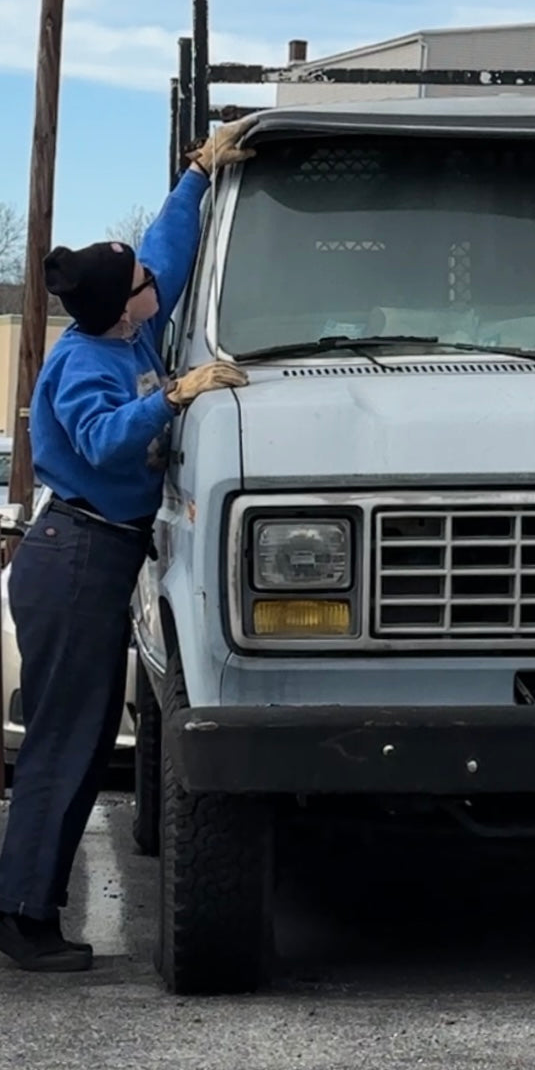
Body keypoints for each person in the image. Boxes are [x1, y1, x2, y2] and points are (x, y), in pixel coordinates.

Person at [0, 117, 255, 972]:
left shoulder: (129, 326)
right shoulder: (83, 366)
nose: (157, 282)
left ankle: (29, 904)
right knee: (64, 745)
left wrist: (197, 176)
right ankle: (24, 915)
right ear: (125, 306)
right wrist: (176, 396)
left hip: (95, 560)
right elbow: (107, 440)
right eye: (144, 283)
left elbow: (168, 252)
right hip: (71, 558)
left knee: (77, 738)